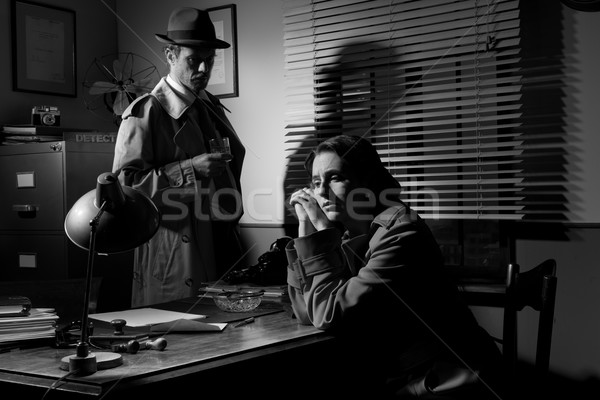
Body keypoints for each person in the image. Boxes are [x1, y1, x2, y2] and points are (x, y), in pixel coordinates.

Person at [286, 135, 505, 399]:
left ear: (367, 181)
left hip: (447, 379)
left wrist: (320, 233)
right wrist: (305, 229)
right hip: (403, 374)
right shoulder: (352, 237)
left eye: (335, 178)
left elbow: (329, 315)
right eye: (316, 182)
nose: (321, 192)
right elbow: (306, 312)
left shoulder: (401, 233)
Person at [112, 7, 245, 307]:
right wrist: (189, 169)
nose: (202, 70)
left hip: (220, 245)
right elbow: (124, 189)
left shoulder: (212, 107)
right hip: (173, 251)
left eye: (209, 61)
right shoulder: (146, 112)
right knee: (178, 342)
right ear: (170, 56)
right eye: (193, 60)